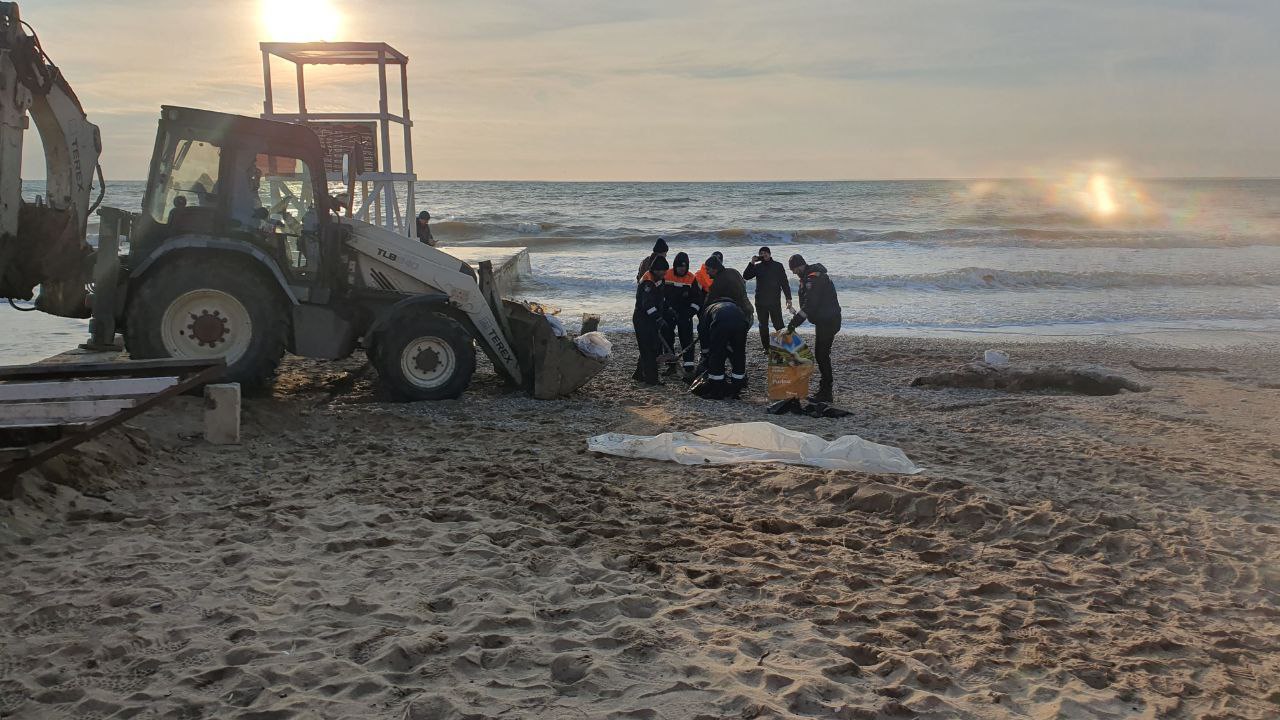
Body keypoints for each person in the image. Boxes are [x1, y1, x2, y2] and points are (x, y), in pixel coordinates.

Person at [785, 254, 842, 403]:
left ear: (800, 265)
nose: (793, 272)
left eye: (794, 269)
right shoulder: (810, 277)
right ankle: (825, 390)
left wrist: (793, 323)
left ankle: (826, 392)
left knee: (821, 355)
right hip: (827, 320)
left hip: (828, 321)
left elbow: (809, 306)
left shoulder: (813, 279)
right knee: (822, 354)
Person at [692, 298, 749, 400]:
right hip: (741, 323)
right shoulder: (736, 307)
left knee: (717, 355)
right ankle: (736, 390)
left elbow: (703, 333)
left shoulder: (707, 310)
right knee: (739, 355)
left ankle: (716, 391)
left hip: (720, 323)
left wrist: (705, 353)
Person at [743, 246, 793, 353]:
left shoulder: (778, 266)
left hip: (774, 301)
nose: (764, 254)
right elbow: (746, 276)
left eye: (766, 252)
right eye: (761, 253)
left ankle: (785, 346)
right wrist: (751, 263)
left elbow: (784, 283)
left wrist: (788, 298)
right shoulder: (757, 267)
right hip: (760, 301)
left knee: (778, 324)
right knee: (763, 326)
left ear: (770, 254)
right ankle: (767, 348)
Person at [633, 256, 673, 385]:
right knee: (649, 349)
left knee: (650, 347)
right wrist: (658, 318)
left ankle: (639, 374)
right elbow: (647, 305)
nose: (663, 273)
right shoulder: (647, 282)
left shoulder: (659, 280)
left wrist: (668, 309)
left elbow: (661, 299)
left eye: (665, 271)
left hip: (652, 319)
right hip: (642, 319)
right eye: (661, 271)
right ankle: (652, 380)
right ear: (654, 270)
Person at [663, 252, 703, 377]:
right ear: (675, 265)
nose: (682, 269)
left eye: (685, 267)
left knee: (687, 338)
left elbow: (697, 300)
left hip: (685, 313)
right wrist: (665, 309)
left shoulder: (691, 278)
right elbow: (659, 295)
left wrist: (689, 313)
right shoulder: (666, 275)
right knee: (667, 338)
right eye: (680, 266)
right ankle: (671, 366)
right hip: (668, 312)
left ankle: (689, 366)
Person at [703, 255, 754, 327]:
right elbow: (744, 283)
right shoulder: (734, 271)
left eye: (708, 269)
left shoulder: (717, 282)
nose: (706, 272)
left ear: (715, 269)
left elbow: (708, 302)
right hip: (749, 313)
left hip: (736, 317)